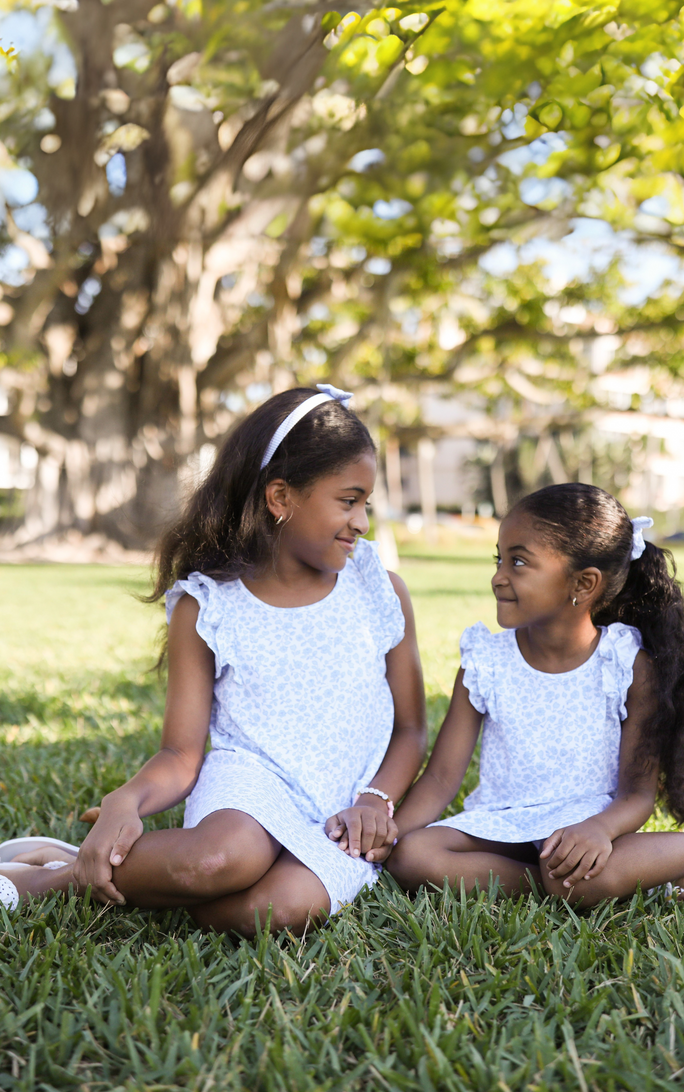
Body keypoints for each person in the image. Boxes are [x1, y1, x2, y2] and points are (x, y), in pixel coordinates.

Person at [0, 385, 427, 934]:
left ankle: (88, 865)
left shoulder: (378, 589)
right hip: (249, 783)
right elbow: (181, 753)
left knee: (273, 911)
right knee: (219, 861)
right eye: (348, 500)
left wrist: (376, 799)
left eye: (366, 502)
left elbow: (412, 729)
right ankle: (40, 882)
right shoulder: (210, 606)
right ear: (281, 498)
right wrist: (125, 800)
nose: (362, 521)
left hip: (345, 806)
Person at [380, 484, 684, 908]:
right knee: (414, 856)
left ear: (583, 583)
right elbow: (440, 778)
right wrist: (391, 836)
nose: (498, 576)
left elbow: (636, 794)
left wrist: (599, 830)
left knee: (573, 881)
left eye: (519, 562)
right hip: (503, 823)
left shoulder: (625, 664)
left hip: (591, 824)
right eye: (499, 559)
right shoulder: (484, 660)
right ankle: (644, 874)